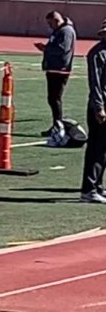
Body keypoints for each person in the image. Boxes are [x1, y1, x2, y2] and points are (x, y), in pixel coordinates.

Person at [35, 11, 76, 136]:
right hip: (53, 68)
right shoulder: (58, 31)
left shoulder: (66, 31)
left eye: (50, 23)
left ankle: (58, 126)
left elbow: (62, 49)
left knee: (55, 98)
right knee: (52, 98)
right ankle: (56, 125)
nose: (49, 26)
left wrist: (46, 48)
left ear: (56, 20)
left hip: (60, 69)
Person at [80, 20, 106, 203]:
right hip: (101, 105)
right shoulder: (97, 53)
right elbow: (95, 83)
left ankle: (97, 185)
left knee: (103, 149)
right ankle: (89, 188)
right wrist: (99, 107)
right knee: (97, 148)